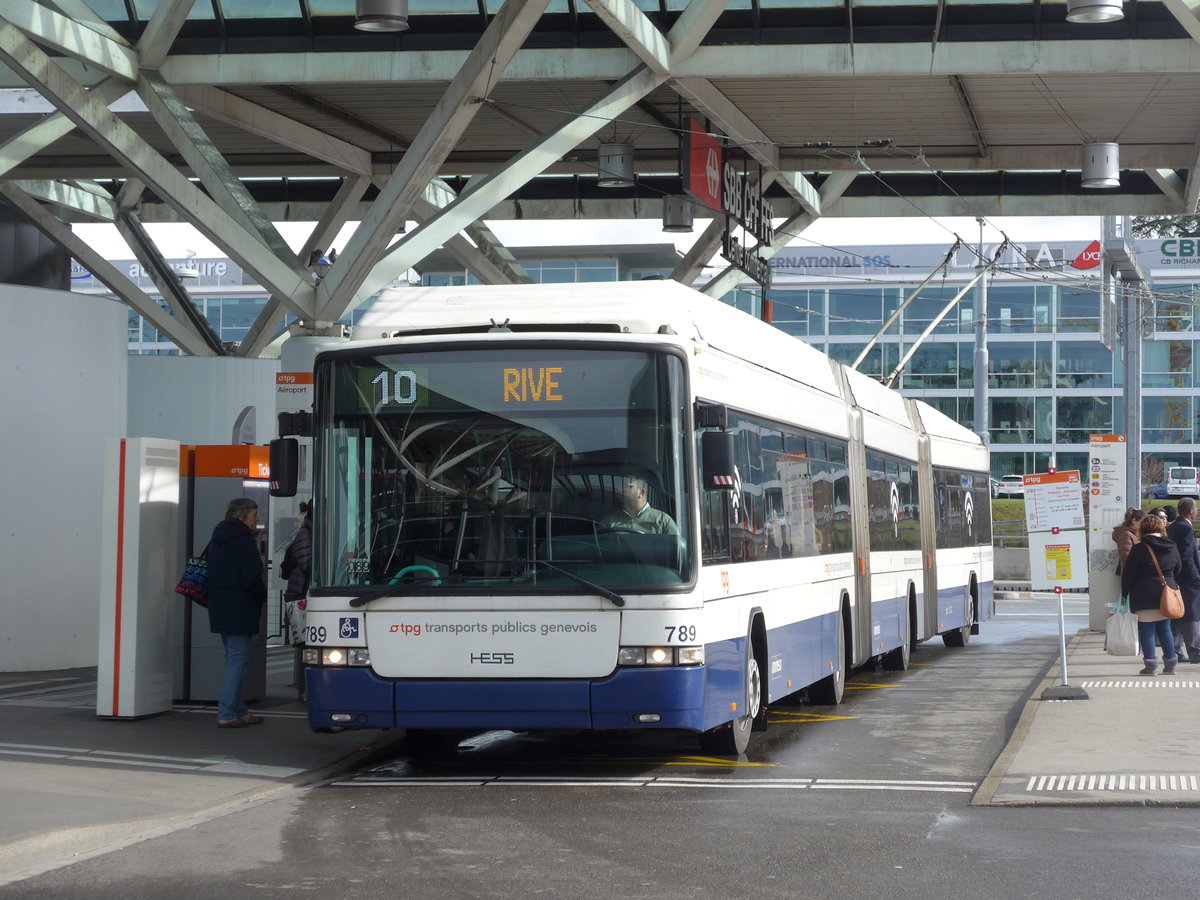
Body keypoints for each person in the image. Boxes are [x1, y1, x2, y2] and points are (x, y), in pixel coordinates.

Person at [206, 497, 267, 727]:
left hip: (221, 608)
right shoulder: (244, 542)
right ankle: (227, 712)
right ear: (241, 517)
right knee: (237, 662)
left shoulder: (217, 540)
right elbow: (252, 577)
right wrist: (260, 597)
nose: (258, 518)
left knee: (234, 660)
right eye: (254, 515)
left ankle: (239, 709)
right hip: (240, 609)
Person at [1121, 514, 1182, 676]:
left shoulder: (1139, 548)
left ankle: (1150, 665)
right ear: (1161, 528)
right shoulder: (1172, 546)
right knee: (1165, 629)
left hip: (1143, 594)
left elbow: (1129, 574)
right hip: (1167, 593)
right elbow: (1178, 568)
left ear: (1143, 529)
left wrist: (1124, 593)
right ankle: (1171, 664)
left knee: (1146, 630)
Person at [283, 502, 313, 699]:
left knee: (307, 644)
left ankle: (305, 688)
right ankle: (303, 689)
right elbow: (307, 564)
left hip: (303, 596)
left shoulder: (310, 532)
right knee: (304, 644)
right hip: (300, 597)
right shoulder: (306, 533)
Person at [1167, 497, 1200, 664]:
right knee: (1192, 615)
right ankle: (1196, 652)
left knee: (1178, 615)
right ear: (1191, 511)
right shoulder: (1186, 528)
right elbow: (1187, 557)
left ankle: (1175, 651)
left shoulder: (1173, 526)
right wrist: (1196, 577)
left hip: (1176, 578)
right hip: (1188, 580)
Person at [600, 474, 678, 535]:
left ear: (641, 492)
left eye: (627, 486)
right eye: (620, 486)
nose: (619, 490)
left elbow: (677, 550)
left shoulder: (662, 521)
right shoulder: (609, 523)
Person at [1111, 507, 1144, 575]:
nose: (1144, 525)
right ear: (1134, 520)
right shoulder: (1126, 535)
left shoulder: (1137, 534)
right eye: (1142, 522)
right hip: (1133, 575)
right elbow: (1126, 557)